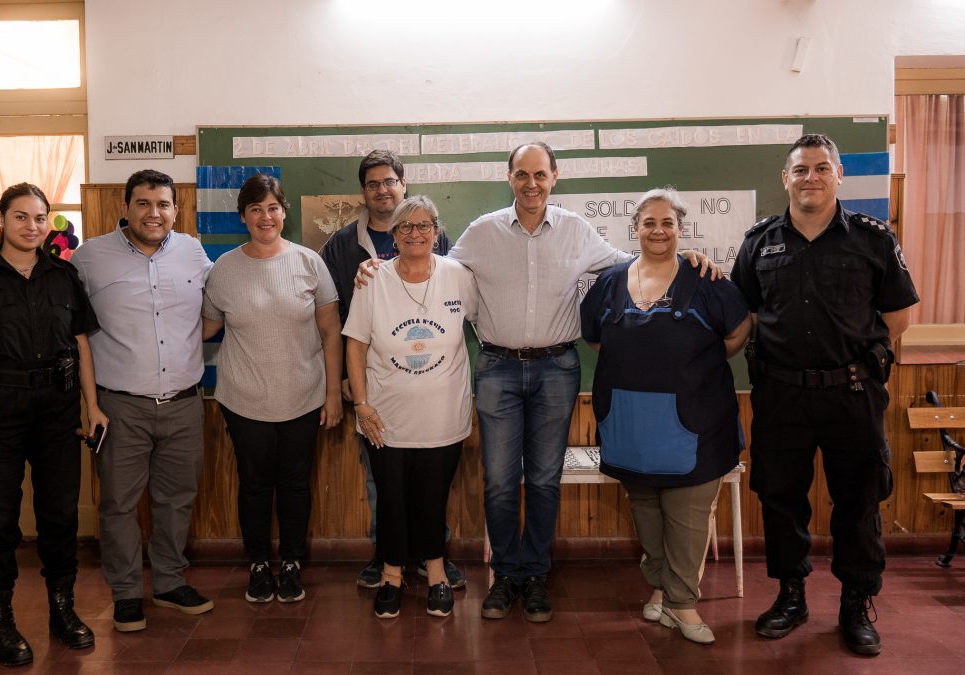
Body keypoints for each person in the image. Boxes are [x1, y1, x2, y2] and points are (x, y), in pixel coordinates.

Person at [358, 142, 716, 622]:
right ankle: (505, 575)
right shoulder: (482, 233)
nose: (531, 183)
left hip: (556, 370)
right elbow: (427, 263)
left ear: (554, 177)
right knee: (501, 483)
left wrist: (681, 254)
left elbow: (631, 265)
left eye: (540, 175)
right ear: (509, 177)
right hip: (497, 369)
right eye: (522, 174)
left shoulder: (576, 230)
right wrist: (375, 266)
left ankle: (535, 576)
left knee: (545, 481)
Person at [731, 133, 919, 655]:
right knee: (780, 499)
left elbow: (898, 315)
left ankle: (855, 603)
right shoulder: (759, 242)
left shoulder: (873, 238)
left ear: (838, 175)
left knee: (858, 501)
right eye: (800, 169)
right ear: (785, 178)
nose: (810, 177)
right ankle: (791, 596)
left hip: (853, 395)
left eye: (820, 168)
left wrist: (857, 357)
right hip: (781, 395)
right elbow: (743, 313)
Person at [0, 182, 101, 666]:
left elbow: (82, 346)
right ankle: (0, 622)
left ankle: (62, 610)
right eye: (22, 217)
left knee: (60, 515)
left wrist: (92, 407)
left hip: (57, 409)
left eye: (40, 218)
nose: (32, 226)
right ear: (0, 220)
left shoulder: (64, 277)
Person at [580, 188, 751, 644]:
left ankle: (682, 603)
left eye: (668, 223)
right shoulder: (611, 281)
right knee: (647, 513)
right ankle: (659, 585)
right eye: (649, 223)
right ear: (634, 229)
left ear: (681, 229)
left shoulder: (708, 279)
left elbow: (737, 332)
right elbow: (596, 338)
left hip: (696, 420)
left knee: (688, 517)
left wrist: (695, 365)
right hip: (630, 421)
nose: (658, 231)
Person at [71, 169, 214, 633]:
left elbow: (215, 309)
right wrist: (86, 403)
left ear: (176, 209)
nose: (154, 213)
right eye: (144, 203)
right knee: (118, 504)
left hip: (184, 402)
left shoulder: (193, 252)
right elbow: (73, 334)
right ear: (127, 206)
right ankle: (127, 593)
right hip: (120, 406)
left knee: (176, 500)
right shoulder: (89, 258)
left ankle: (170, 583)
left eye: (163, 204)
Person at [319, 150, 463, 590]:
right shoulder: (343, 247)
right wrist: (347, 384)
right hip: (369, 383)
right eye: (372, 183)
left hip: (434, 394)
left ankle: (428, 556)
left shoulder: (447, 254)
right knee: (383, 480)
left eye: (389, 181)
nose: (382, 189)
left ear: (402, 183)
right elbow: (335, 319)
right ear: (364, 193)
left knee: (430, 482)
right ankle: (388, 557)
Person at [202, 173, 343, 604]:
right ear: (243, 216)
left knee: (296, 484)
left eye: (273, 208)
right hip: (244, 401)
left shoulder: (309, 262)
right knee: (254, 484)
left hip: (303, 396)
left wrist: (334, 393)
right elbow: (207, 327)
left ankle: (293, 563)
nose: (266, 217)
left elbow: (331, 331)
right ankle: (259, 563)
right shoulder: (224, 268)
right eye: (256, 209)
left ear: (284, 212)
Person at [343, 195, 477, 619]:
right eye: (406, 227)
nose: (415, 233)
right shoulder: (371, 279)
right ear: (394, 235)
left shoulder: (458, 275)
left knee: (433, 498)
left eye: (424, 226)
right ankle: (392, 575)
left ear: (436, 233)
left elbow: (488, 325)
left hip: (443, 415)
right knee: (391, 499)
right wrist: (361, 405)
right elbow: (355, 345)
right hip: (385, 417)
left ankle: (436, 572)